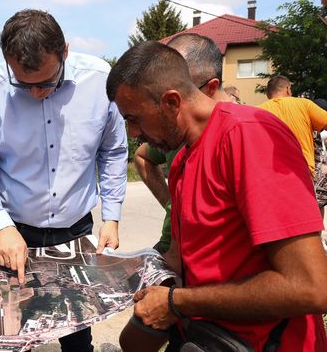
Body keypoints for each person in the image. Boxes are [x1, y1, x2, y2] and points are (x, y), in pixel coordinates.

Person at [108, 40, 327, 351]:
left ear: (171, 102)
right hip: (206, 338)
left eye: (134, 118)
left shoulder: (249, 136)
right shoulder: (183, 158)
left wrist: (176, 302)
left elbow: (309, 288)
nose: (132, 132)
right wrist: (119, 273)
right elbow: (184, 260)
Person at [0, 9, 128, 352]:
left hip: (75, 229)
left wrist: (111, 216)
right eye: (24, 84)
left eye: (48, 82)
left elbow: (112, 151)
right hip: (14, 231)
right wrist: (1, 227)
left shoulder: (99, 81)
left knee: (77, 330)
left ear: (64, 52)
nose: (36, 93)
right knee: (11, 330)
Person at [134, 33, 230, 256]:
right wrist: (173, 205)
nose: (167, 109)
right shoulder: (177, 138)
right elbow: (142, 156)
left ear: (210, 88)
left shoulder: (244, 133)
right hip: (174, 247)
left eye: (176, 98)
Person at [258, 76, 327, 179]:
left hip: (269, 174)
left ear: (269, 92)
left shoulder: (257, 111)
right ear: (288, 89)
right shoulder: (303, 104)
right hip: (301, 171)